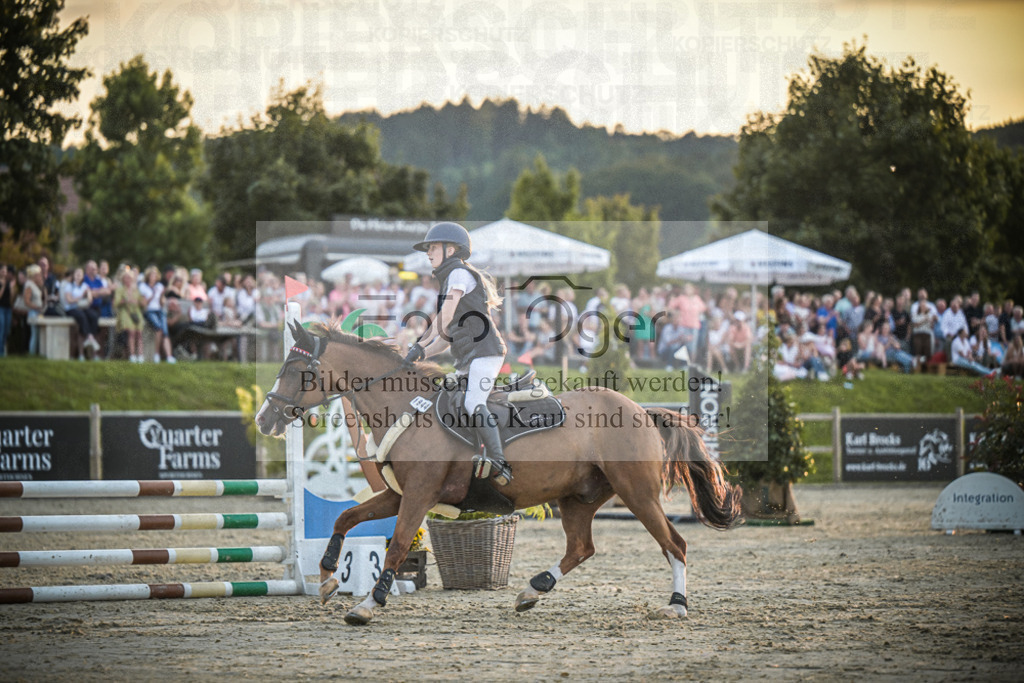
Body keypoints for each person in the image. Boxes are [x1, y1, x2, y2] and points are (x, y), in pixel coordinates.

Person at [405, 222, 512, 486]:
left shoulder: (459, 274)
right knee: (448, 399)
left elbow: (445, 317)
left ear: (450, 249)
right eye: (427, 248)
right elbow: (445, 339)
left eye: (432, 247)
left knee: (472, 403)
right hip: (470, 357)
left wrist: (419, 343)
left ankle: (500, 463)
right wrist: (421, 355)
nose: (428, 252)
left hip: (486, 352)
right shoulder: (450, 278)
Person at [61, 266, 102, 358]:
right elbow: (69, 300)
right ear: (73, 275)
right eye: (77, 274)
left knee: (94, 315)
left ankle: (90, 336)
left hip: (82, 308)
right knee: (82, 316)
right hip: (71, 309)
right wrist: (80, 297)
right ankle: (88, 339)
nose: (78, 276)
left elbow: (89, 300)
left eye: (80, 274)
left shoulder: (85, 286)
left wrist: (88, 294)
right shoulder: (69, 286)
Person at [139, 266, 175, 363]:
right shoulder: (143, 286)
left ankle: (169, 356)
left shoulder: (159, 286)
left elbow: (161, 303)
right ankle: (156, 354)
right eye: (151, 275)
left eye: (155, 275)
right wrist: (153, 294)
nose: (153, 277)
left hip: (159, 310)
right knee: (158, 329)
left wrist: (162, 295)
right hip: (149, 310)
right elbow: (144, 303)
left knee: (165, 332)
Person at [113, 269, 145, 362]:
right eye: (126, 277)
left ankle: (140, 355)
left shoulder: (136, 290)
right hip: (125, 312)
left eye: (129, 278)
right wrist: (125, 301)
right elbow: (116, 303)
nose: (128, 279)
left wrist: (138, 301)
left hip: (136, 312)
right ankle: (132, 355)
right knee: (131, 332)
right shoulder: (120, 290)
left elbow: (142, 303)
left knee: (139, 333)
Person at [23, 264, 45, 355]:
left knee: (38, 335)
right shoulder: (29, 285)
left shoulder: (35, 285)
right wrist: (37, 307)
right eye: (38, 274)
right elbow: (27, 302)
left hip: (38, 312)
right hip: (33, 312)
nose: (40, 276)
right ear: (34, 275)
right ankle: (32, 354)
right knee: (34, 335)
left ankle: (38, 353)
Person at [0, 263, 13, 357]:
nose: (5, 272)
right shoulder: (2, 283)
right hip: (1, 308)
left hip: (8, 309)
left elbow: (11, 297)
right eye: (3, 270)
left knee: (6, 330)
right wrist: (3, 286)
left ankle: (4, 351)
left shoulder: (8, 282)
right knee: (1, 329)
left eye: (6, 270)